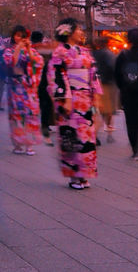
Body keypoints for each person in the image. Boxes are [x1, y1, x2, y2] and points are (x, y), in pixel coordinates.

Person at [47, 17, 102, 190]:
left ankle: (84, 174)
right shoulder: (60, 52)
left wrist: (96, 96)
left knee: (87, 137)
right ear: (68, 32)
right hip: (69, 99)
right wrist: (66, 99)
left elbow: (93, 74)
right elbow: (57, 75)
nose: (80, 32)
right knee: (71, 136)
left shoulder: (84, 51)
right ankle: (73, 175)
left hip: (85, 99)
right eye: (78, 29)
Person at [2, 25, 44, 155]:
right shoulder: (8, 50)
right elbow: (11, 63)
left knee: (30, 116)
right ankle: (18, 144)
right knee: (16, 116)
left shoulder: (32, 50)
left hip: (29, 88)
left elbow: (37, 63)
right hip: (16, 87)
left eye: (22, 36)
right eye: (17, 35)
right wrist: (18, 48)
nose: (20, 38)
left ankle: (29, 145)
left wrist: (29, 49)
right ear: (13, 36)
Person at [114, 28, 138, 162]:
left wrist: (123, 88)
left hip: (128, 94)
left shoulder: (122, 56)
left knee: (131, 122)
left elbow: (117, 76)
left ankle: (136, 150)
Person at [93, 37, 118, 143]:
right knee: (108, 111)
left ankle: (95, 133)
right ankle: (109, 133)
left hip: (96, 84)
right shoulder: (109, 54)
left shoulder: (93, 54)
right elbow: (113, 67)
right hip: (107, 84)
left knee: (96, 111)